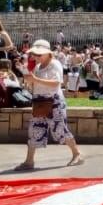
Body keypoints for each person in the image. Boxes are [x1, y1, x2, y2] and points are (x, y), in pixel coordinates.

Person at [15, 39, 84, 171]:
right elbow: (35, 84)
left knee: (60, 130)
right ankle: (29, 161)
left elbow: (56, 83)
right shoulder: (38, 66)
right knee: (35, 130)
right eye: (34, 54)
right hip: (40, 101)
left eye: (39, 54)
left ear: (48, 54)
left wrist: (35, 79)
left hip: (54, 101)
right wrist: (28, 79)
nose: (36, 57)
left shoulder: (55, 64)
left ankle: (77, 154)